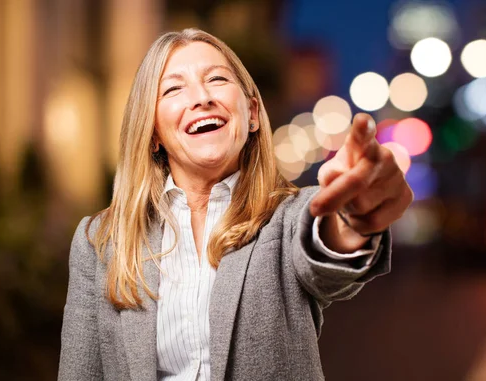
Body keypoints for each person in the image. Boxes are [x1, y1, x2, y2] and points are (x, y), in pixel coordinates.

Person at [58, 28, 413, 381]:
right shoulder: (99, 242)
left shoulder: (288, 219)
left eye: (216, 78)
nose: (201, 97)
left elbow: (324, 247)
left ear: (252, 113)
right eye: (174, 88)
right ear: (153, 134)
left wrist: (354, 219)